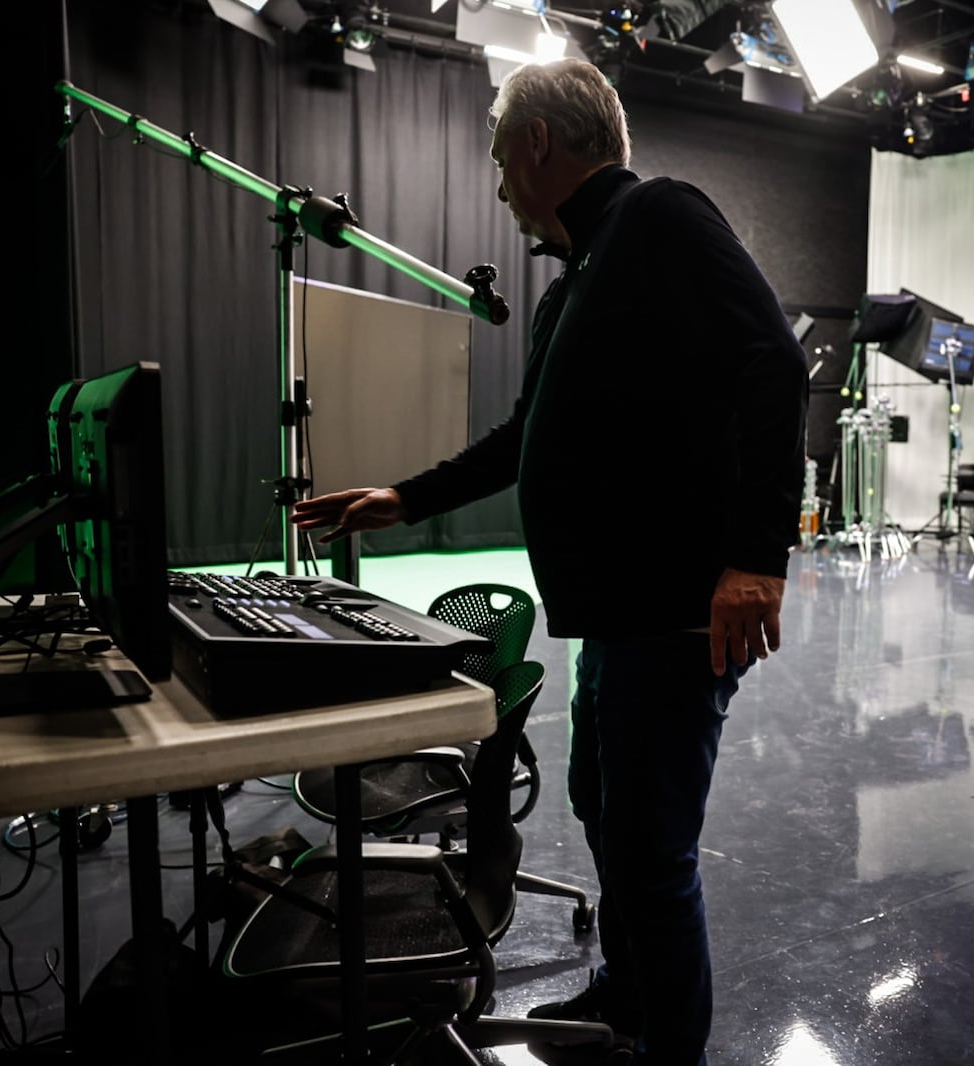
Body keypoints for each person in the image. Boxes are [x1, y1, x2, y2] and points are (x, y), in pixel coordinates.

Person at [291, 59, 808, 1066]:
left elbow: (775, 362)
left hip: (673, 615)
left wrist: (755, 559)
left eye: (498, 156)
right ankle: (624, 994)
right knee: (603, 813)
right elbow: (528, 436)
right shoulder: (572, 286)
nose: (495, 183)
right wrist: (406, 496)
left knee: (651, 856)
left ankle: (672, 1049)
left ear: (538, 144)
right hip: (614, 617)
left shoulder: (659, 217)